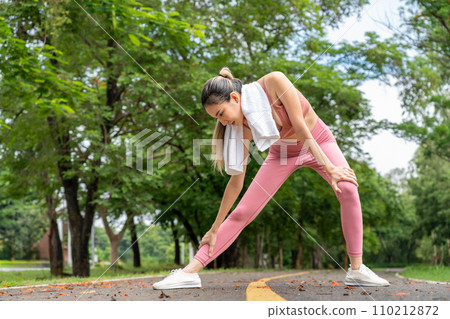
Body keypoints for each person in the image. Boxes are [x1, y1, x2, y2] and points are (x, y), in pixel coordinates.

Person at [152, 67, 390, 290]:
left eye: (221, 114)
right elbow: (236, 182)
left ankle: (357, 270)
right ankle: (190, 272)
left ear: (235, 98)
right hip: (282, 154)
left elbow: (300, 126)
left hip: (317, 140)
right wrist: (214, 229)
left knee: (347, 188)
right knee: (243, 212)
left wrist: (330, 168)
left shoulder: (274, 82)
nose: (223, 122)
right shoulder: (240, 128)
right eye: (217, 119)